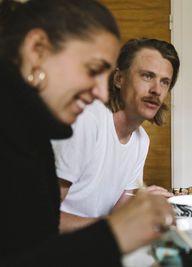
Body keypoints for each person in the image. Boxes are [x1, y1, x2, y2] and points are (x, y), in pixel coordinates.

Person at [0, 0, 174, 266]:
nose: (101, 94)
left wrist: (142, 208)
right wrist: (114, 232)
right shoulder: (78, 123)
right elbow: (38, 237)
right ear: (36, 49)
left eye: (165, 82)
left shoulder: (35, 132)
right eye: (93, 70)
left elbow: (32, 235)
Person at [51, 38, 179, 233]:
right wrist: (116, 223)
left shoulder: (141, 141)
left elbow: (116, 215)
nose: (156, 90)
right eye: (147, 76)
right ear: (119, 79)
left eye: (164, 82)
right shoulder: (87, 122)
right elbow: (39, 216)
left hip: (94, 244)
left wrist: (143, 207)